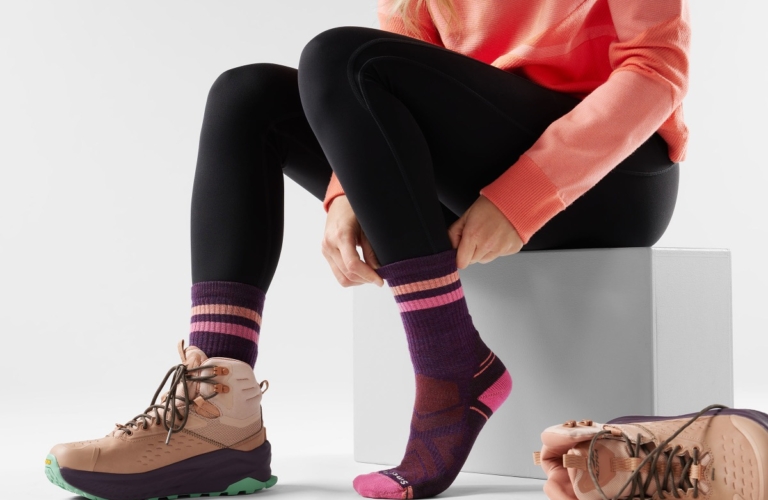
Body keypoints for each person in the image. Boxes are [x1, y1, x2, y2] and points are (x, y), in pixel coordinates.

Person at [43, 0, 690, 499]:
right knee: (246, 97)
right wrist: (345, 190)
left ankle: (450, 366)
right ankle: (220, 410)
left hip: (615, 174)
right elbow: (401, 66)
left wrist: (520, 199)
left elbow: (655, 69)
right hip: (474, 159)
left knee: (339, 55)